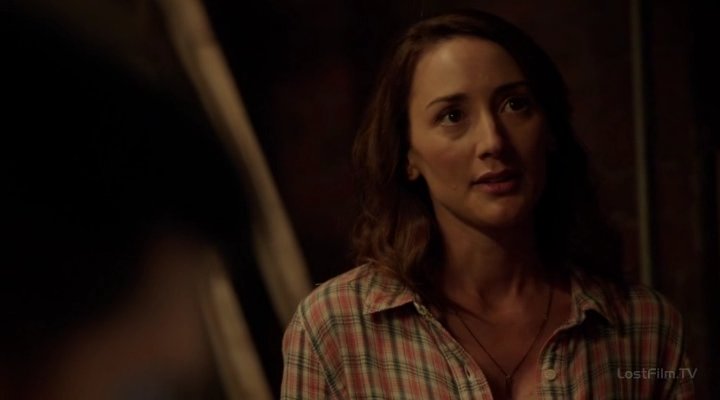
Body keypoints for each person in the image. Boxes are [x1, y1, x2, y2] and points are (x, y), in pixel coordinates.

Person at [281, 9, 694, 399]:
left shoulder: (643, 327)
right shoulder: (336, 328)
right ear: (408, 155)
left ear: (549, 130)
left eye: (515, 104)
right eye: (452, 116)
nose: (493, 141)